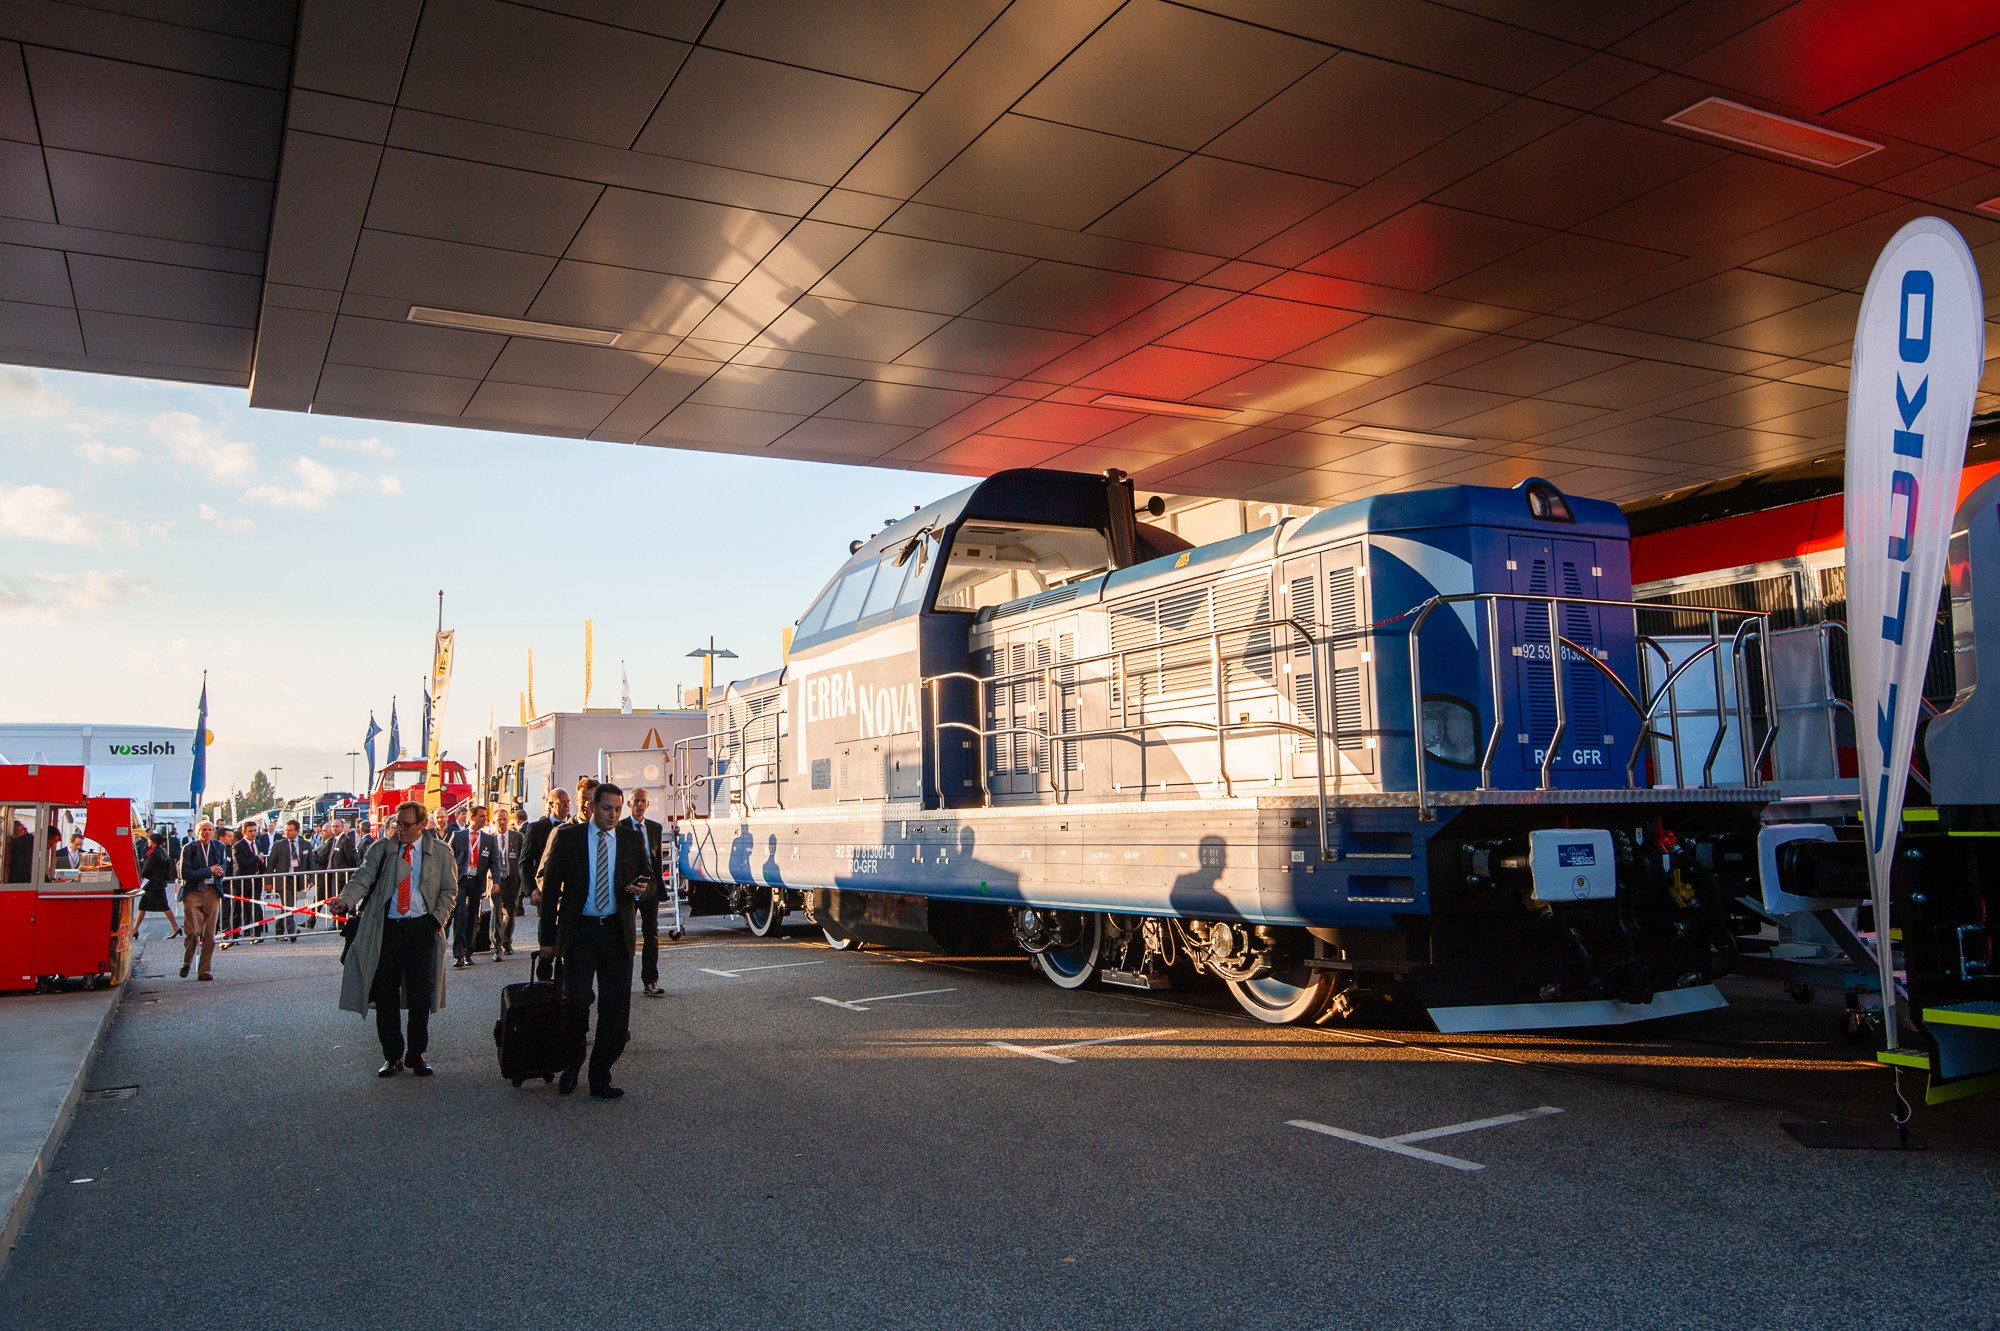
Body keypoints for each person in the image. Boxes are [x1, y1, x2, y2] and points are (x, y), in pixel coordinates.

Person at [537, 782, 654, 1099]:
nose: (613, 815)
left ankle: (601, 1074)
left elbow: (649, 878)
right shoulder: (569, 838)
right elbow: (549, 894)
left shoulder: (630, 839)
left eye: (618, 809)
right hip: (581, 933)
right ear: (592, 807)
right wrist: (547, 940)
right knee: (576, 1003)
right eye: (607, 809)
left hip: (616, 933)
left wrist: (641, 888)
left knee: (615, 1011)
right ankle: (572, 1063)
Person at [335, 800, 458, 1078]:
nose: (399, 829)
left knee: (420, 995)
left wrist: (435, 921)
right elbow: (362, 878)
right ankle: (392, 1056)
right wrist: (345, 900)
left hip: (422, 930)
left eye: (406, 824)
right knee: (385, 995)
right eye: (396, 823)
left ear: (422, 825)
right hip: (387, 930)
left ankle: (417, 1054)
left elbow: (450, 891)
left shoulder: (440, 852)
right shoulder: (382, 849)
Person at [624, 787, 667, 997]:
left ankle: (650, 980)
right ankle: (622, 980)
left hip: (650, 888)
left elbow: (656, 859)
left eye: (643, 801)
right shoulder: (621, 827)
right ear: (629, 804)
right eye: (636, 801)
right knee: (626, 936)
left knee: (652, 934)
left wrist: (658, 886)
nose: (639, 805)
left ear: (648, 805)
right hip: (629, 889)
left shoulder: (654, 828)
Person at [178, 821, 228, 980]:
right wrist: (209, 870)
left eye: (210, 830)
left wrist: (220, 872)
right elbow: (185, 873)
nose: (207, 832)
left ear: (214, 832)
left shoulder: (219, 847)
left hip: (212, 892)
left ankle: (204, 971)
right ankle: (187, 962)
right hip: (193, 892)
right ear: (198, 832)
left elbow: (223, 867)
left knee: (209, 935)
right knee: (193, 932)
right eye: (204, 830)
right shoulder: (189, 849)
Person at [448, 805, 496, 968]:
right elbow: (448, 857)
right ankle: (459, 954)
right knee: (460, 914)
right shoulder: (458, 835)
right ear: (472, 817)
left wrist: (495, 881)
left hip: (477, 881)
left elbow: (493, 862)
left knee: (473, 917)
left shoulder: (489, 839)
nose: (485, 819)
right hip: (461, 880)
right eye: (481, 816)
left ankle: (469, 951)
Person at [490, 806, 524, 960]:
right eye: (499, 820)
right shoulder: (490, 839)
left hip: (512, 880)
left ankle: (507, 941)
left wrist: (523, 882)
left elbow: (523, 859)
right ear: (494, 822)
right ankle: (496, 946)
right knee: (496, 913)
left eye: (505, 819)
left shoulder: (518, 837)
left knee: (510, 914)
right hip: (496, 882)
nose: (502, 823)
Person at [267, 819, 310, 938]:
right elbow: (271, 864)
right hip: (283, 879)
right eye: (286, 830)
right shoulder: (279, 844)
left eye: (290, 830)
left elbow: (310, 863)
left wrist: (310, 879)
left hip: (297, 880)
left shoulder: (305, 844)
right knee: (289, 905)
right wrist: (268, 881)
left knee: (287, 906)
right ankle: (292, 931)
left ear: (297, 831)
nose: (287, 832)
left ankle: (279, 930)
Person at [137, 832, 180, 938]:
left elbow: (147, 869)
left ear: (153, 841)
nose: (148, 841)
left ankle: (176, 927)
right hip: (156, 883)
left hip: (154, 884)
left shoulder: (155, 853)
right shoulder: (160, 851)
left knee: (163, 905)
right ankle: (135, 929)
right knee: (142, 906)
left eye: (149, 839)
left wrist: (140, 875)